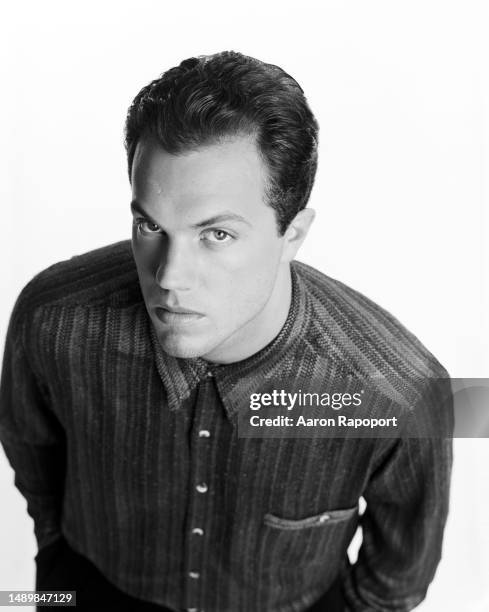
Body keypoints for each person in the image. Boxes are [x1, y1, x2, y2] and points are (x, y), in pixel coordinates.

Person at [0, 51, 453, 611]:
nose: (170, 276)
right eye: (150, 225)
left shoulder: (397, 390)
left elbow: (396, 577)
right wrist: (55, 576)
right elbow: (31, 455)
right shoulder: (53, 321)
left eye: (216, 234)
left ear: (293, 233)